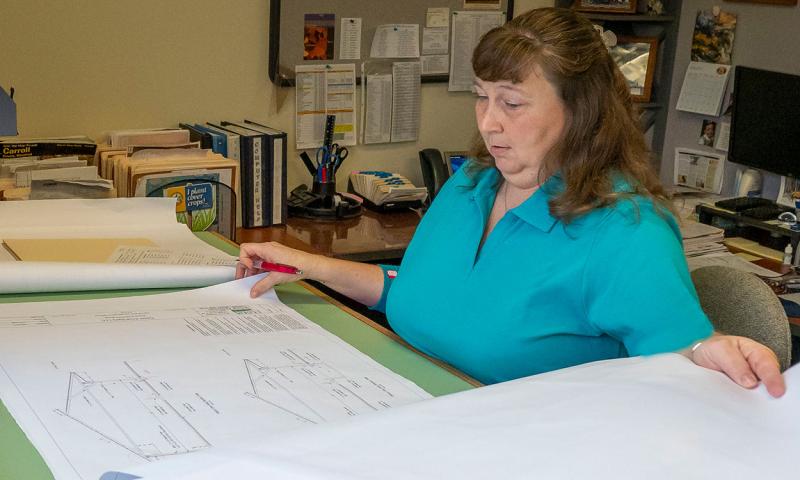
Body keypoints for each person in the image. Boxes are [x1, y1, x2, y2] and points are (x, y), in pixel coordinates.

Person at [238, 8, 785, 397]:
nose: (488, 122)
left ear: (581, 109)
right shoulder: (471, 182)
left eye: (513, 102)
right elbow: (423, 295)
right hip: (402, 402)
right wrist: (310, 266)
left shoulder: (624, 228)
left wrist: (709, 348)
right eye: (482, 96)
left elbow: (680, 351)